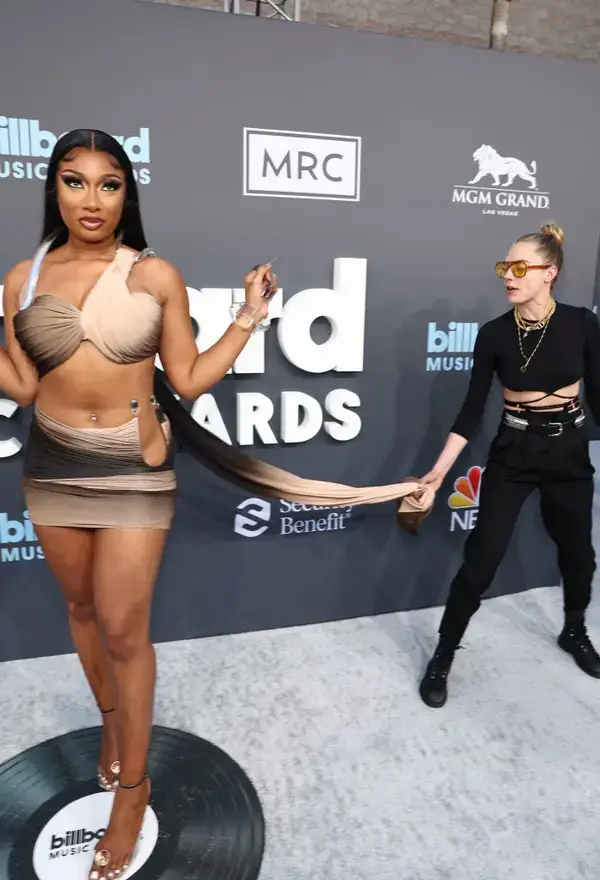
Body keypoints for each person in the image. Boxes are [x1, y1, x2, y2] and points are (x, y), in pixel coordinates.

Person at [0, 129, 434, 879]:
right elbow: (25, 386)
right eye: (75, 181)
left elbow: (189, 379)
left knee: (124, 627)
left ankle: (133, 790)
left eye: (109, 183)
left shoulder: (155, 274)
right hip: (54, 465)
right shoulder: (23, 278)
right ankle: (112, 730)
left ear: (127, 193)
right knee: (81, 611)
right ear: (54, 189)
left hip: (134, 466)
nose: (92, 199)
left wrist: (248, 314)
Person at [418, 223, 600, 709]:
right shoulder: (494, 334)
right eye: (505, 267)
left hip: (569, 450)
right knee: (481, 560)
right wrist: (439, 471)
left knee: (579, 555)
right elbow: (471, 412)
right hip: (514, 453)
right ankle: (444, 653)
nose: (508, 276)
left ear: (549, 273)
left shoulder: (582, 323)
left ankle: (574, 630)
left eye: (520, 267)